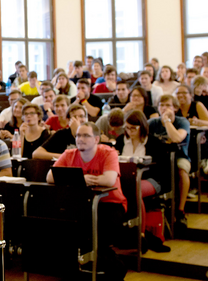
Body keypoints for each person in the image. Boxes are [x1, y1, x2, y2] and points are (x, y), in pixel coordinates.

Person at [47, 122, 128, 280]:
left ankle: (114, 268)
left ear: (97, 139)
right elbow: (50, 177)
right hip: (82, 204)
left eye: (86, 135)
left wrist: (73, 179)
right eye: (78, 135)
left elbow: (109, 180)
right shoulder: (69, 154)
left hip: (111, 204)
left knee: (96, 233)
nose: (80, 139)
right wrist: (83, 179)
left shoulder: (108, 153)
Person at [114, 110, 172, 253]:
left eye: (133, 128)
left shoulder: (153, 142)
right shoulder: (121, 140)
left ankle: (140, 234)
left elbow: (162, 169)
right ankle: (126, 233)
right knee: (125, 188)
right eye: (127, 127)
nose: (129, 131)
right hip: (126, 179)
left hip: (152, 179)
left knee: (135, 189)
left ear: (142, 126)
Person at [149, 95, 191, 230]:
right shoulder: (152, 122)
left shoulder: (182, 121)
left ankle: (180, 210)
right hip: (158, 158)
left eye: (168, 105)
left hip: (179, 156)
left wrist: (167, 121)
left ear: (175, 108)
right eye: (161, 105)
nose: (164, 108)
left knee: (182, 170)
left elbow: (177, 138)